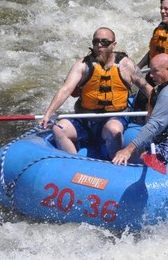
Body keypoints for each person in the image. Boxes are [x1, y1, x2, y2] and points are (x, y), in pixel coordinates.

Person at [40, 27, 149, 162]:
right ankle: (74, 165)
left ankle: (115, 165)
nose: (99, 46)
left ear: (114, 44)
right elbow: (66, 89)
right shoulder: (82, 65)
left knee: (113, 130)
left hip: (113, 117)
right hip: (86, 119)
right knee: (59, 129)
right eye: (96, 42)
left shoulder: (126, 65)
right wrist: (49, 113)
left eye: (104, 42)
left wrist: (158, 109)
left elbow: (146, 87)